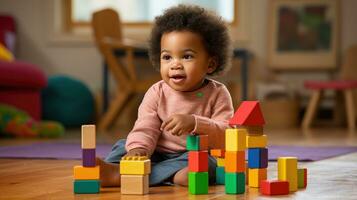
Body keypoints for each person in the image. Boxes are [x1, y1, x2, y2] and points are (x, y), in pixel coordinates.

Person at [97, 4, 234, 187]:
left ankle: (124, 176)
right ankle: (134, 169)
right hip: (155, 151)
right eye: (167, 57)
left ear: (210, 64)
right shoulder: (157, 92)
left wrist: (195, 122)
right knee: (125, 145)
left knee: (204, 164)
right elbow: (146, 125)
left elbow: (227, 135)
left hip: (192, 155)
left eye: (186, 56)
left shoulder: (218, 94)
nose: (175, 65)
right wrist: (139, 149)